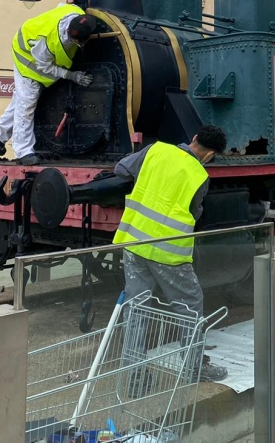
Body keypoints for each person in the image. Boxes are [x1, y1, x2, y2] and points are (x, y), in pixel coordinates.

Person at [112, 126, 229, 383]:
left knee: (137, 307)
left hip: (134, 243)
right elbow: (195, 214)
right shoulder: (199, 175)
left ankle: (135, 375)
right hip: (169, 253)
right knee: (189, 306)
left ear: (194, 138)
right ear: (210, 155)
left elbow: (121, 169)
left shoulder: (156, 150)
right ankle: (193, 367)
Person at [0, 4, 97, 165]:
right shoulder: (48, 42)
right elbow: (44, 66)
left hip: (34, 43)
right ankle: (23, 151)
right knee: (27, 101)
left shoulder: (75, 12)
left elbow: (61, 6)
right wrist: (71, 76)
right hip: (26, 57)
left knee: (21, 97)